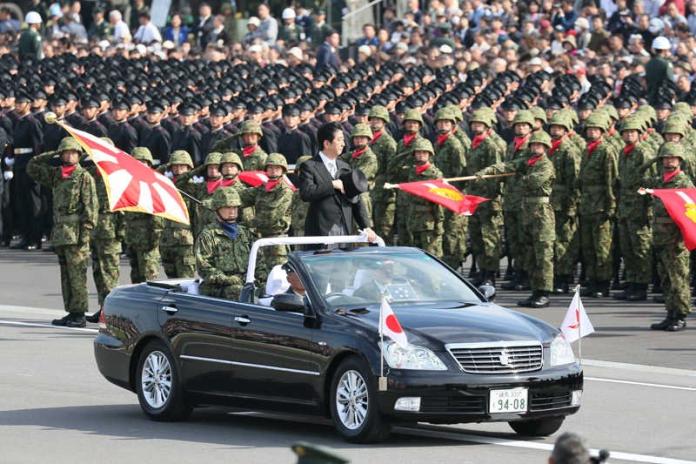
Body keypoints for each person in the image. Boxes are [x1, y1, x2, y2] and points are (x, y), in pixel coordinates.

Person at [476, 131, 556, 308]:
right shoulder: (527, 162)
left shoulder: (545, 165)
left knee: (543, 254)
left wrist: (517, 176)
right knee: (530, 253)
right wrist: (489, 170)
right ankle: (535, 290)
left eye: (539, 145)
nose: (536, 148)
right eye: (534, 145)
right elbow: (508, 166)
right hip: (527, 210)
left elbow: (531, 182)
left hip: (541, 212)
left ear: (545, 147)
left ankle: (544, 292)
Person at [27, 137, 98, 328]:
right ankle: (72, 311)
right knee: (66, 275)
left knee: (77, 276)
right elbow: (32, 166)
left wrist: (85, 235)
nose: (69, 155)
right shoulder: (56, 175)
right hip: (60, 234)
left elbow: (90, 209)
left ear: (79, 156)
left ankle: (80, 313)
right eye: (66, 152)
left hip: (77, 235)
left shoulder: (84, 177)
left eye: (73, 152)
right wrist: (52, 153)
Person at [643, 143, 693, 332]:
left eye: (672, 157)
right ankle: (670, 313)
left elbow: (690, 212)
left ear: (680, 160)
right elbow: (638, 181)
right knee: (665, 278)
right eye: (664, 157)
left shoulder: (684, 183)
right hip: (660, 236)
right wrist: (652, 161)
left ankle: (680, 315)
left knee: (678, 278)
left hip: (675, 239)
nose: (668, 161)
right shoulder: (659, 182)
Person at [299, 122, 375, 241]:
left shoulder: (344, 166)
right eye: (339, 140)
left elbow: (356, 199)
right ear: (327, 143)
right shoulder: (309, 166)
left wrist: (366, 226)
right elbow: (306, 193)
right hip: (322, 228)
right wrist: (332, 185)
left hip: (345, 226)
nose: (343, 144)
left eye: (343, 140)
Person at [615, 116, 656, 301]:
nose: (629, 134)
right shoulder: (624, 152)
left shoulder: (643, 152)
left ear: (639, 134)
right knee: (628, 247)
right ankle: (632, 282)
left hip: (638, 207)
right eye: (626, 132)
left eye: (633, 132)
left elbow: (647, 183)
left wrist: (638, 196)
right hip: (625, 206)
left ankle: (641, 286)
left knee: (641, 247)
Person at [579, 112, 619, 298]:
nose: (592, 132)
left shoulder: (606, 151)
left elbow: (611, 181)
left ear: (602, 131)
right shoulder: (588, 150)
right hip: (587, 204)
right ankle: (592, 279)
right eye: (590, 129)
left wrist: (611, 206)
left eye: (596, 129)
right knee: (588, 246)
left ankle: (603, 283)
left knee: (602, 246)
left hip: (601, 204)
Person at [465, 108, 506, 286]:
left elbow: (496, 172)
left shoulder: (490, 145)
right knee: (476, 237)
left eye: (480, 124)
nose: (476, 126)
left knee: (489, 238)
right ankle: (481, 270)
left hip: (488, 198)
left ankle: (490, 274)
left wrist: (491, 196)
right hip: (474, 196)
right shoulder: (474, 143)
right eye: (474, 123)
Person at [84, 138, 123, 323]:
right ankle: (103, 308)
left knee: (110, 273)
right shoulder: (91, 173)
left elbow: (124, 207)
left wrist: (122, 232)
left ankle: (111, 312)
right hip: (94, 230)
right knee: (98, 272)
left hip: (110, 232)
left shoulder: (117, 175)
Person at [240, 153, 293, 278]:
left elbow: (272, 215)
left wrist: (250, 223)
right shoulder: (262, 189)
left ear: (282, 170)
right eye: (270, 168)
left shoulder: (285, 190)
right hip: (261, 239)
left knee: (279, 278)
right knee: (262, 276)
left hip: (277, 241)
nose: (273, 171)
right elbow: (241, 197)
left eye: (277, 168)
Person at [196, 187, 254, 300]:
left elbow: (259, 261)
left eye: (235, 207)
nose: (232, 211)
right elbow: (204, 267)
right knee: (238, 291)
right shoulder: (208, 234)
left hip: (245, 282)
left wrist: (260, 278)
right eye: (227, 207)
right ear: (217, 209)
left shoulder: (245, 233)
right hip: (218, 288)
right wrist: (226, 279)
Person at [433, 107, 467, 270]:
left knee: (452, 232)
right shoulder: (439, 143)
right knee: (445, 230)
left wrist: (454, 193)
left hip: (451, 193)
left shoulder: (454, 145)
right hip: (441, 193)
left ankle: (454, 266)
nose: (443, 125)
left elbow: (460, 171)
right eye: (440, 122)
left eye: (446, 122)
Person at [123, 147, 163, 283]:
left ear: (149, 164)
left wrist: (154, 240)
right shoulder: (129, 183)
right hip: (133, 239)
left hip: (147, 240)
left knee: (149, 280)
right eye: (136, 162)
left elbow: (158, 216)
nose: (140, 165)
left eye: (143, 162)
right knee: (136, 280)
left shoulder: (153, 183)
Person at [159, 150, 196, 279]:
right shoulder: (166, 186)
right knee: (171, 283)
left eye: (182, 166)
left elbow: (197, 218)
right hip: (167, 241)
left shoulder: (193, 189)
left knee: (186, 283)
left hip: (186, 243)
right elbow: (153, 174)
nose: (178, 170)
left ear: (189, 168)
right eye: (175, 166)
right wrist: (167, 165)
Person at [404, 138, 444, 256]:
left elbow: (439, 202)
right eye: (418, 152)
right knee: (417, 256)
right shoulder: (412, 172)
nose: (421, 155)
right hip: (414, 220)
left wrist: (439, 224)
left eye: (424, 153)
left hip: (429, 222)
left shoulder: (434, 174)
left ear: (430, 155)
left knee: (431, 255)